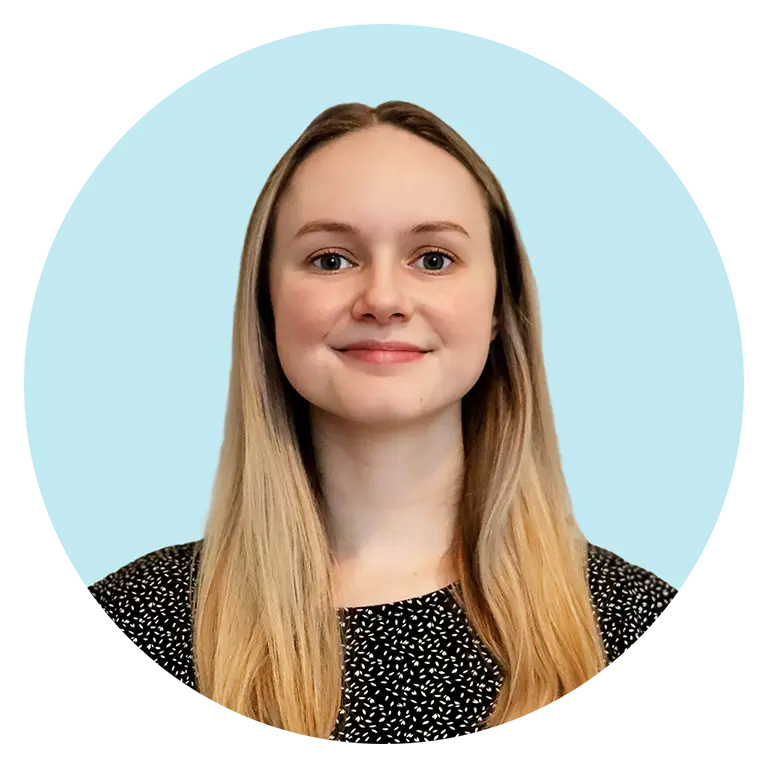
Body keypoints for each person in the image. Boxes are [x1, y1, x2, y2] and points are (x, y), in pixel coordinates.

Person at [87, 100, 679, 744]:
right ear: (267, 307)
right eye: (331, 259)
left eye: (433, 259)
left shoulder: (650, 636)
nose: (384, 301)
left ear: (498, 311)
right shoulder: (121, 632)